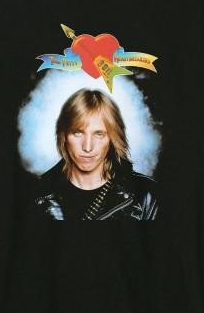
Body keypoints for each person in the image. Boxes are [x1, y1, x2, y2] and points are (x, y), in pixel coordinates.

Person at [34, 88, 159, 220]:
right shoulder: (36, 193)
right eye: (77, 133)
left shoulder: (146, 194)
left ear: (112, 139)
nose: (87, 147)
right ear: (63, 136)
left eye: (99, 134)